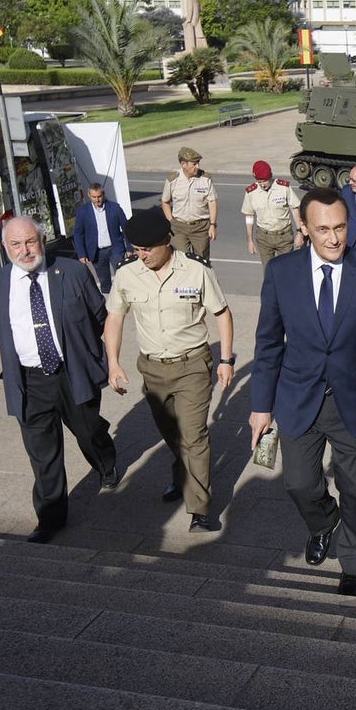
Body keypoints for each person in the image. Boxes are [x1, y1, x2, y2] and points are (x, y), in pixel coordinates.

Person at [249, 187, 356, 597]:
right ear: (303, 227)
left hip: (355, 400)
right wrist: (260, 406)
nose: (334, 238)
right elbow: (268, 344)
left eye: (340, 227)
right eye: (323, 229)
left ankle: (354, 562)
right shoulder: (281, 272)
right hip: (298, 398)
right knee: (298, 483)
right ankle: (324, 522)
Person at [0, 217, 118, 544]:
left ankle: (105, 462)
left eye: (31, 241)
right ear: (5, 247)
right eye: (16, 244)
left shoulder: (72, 272)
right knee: (43, 454)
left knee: (88, 430)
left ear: (43, 240)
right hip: (29, 380)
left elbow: (99, 315)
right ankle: (50, 517)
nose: (25, 250)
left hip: (72, 373)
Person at [104, 206, 235, 533]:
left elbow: (222, 313)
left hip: (192, 365)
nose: (142, 255)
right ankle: (182, 472)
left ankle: (199, 509)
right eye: (137, 249)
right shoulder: (127, 274)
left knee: (194, 435)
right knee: (172, 434)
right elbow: (115, 317)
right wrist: (114, 362)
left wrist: (226, 360)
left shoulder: (196, 270)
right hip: (152, 370)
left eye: (147, 249)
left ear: (167, 241)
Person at [161, 146, 218, 262]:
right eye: (194, 164)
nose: (198, 167)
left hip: (200, 227)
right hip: (179, 227)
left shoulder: (205, 179)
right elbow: (165, 201)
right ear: (183, 164)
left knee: (202, 261)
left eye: (198, 163)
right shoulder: (173, 180)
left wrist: (213, 225)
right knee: (182, 260)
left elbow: (212, 202)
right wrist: (171, 220)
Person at [72, 183, 131, 294]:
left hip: (115, 249)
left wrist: (129, 248)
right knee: (104, 280)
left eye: (99, 196)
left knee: (122, 275)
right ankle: (108, 301)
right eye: (94, 197)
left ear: (103, 194)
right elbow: (78, 233)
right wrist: (81, 254)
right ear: (89, 195)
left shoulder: (115, 208)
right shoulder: (83, 211)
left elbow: (126, 228)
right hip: (97, 252)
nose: (97, 200)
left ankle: (125, 298)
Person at [242, 160, 303, 267]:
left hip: (284, 236)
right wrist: (250, 240)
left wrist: (299, 232)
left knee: (286, 269)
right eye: (259, 182)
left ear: (270, 177)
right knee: (268, 271)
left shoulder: (283, 187)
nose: (262, 185)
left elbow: (295, 208)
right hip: (264, 238)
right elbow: (249, 216)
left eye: (264, 181)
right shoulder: (251, 192)